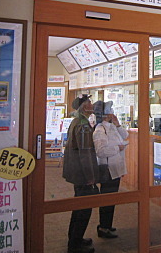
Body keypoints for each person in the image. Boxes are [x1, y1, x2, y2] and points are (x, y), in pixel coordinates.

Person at [62, 94, 99, 253]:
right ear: (84, 106)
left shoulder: (76, 121)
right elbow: (85, 154)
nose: (91, 104)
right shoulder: (83, 125)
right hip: (82, 174)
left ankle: (75, 239)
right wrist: (91, 177)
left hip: (76, 172)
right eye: (89, 102)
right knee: (84, 209)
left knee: (79, 206)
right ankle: (75, 245)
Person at [92, 100, 129, 238]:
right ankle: (103, 227)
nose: (113, 111)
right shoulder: (100, 130)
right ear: (106, 114)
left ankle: (107, 225)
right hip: (108, 170)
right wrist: (117, 148)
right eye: (111, 110)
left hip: (115, 169)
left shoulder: (112, 127)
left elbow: (125, 135)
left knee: (111, 199)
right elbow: (100, 151)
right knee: (107, 200)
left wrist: (118, 123)